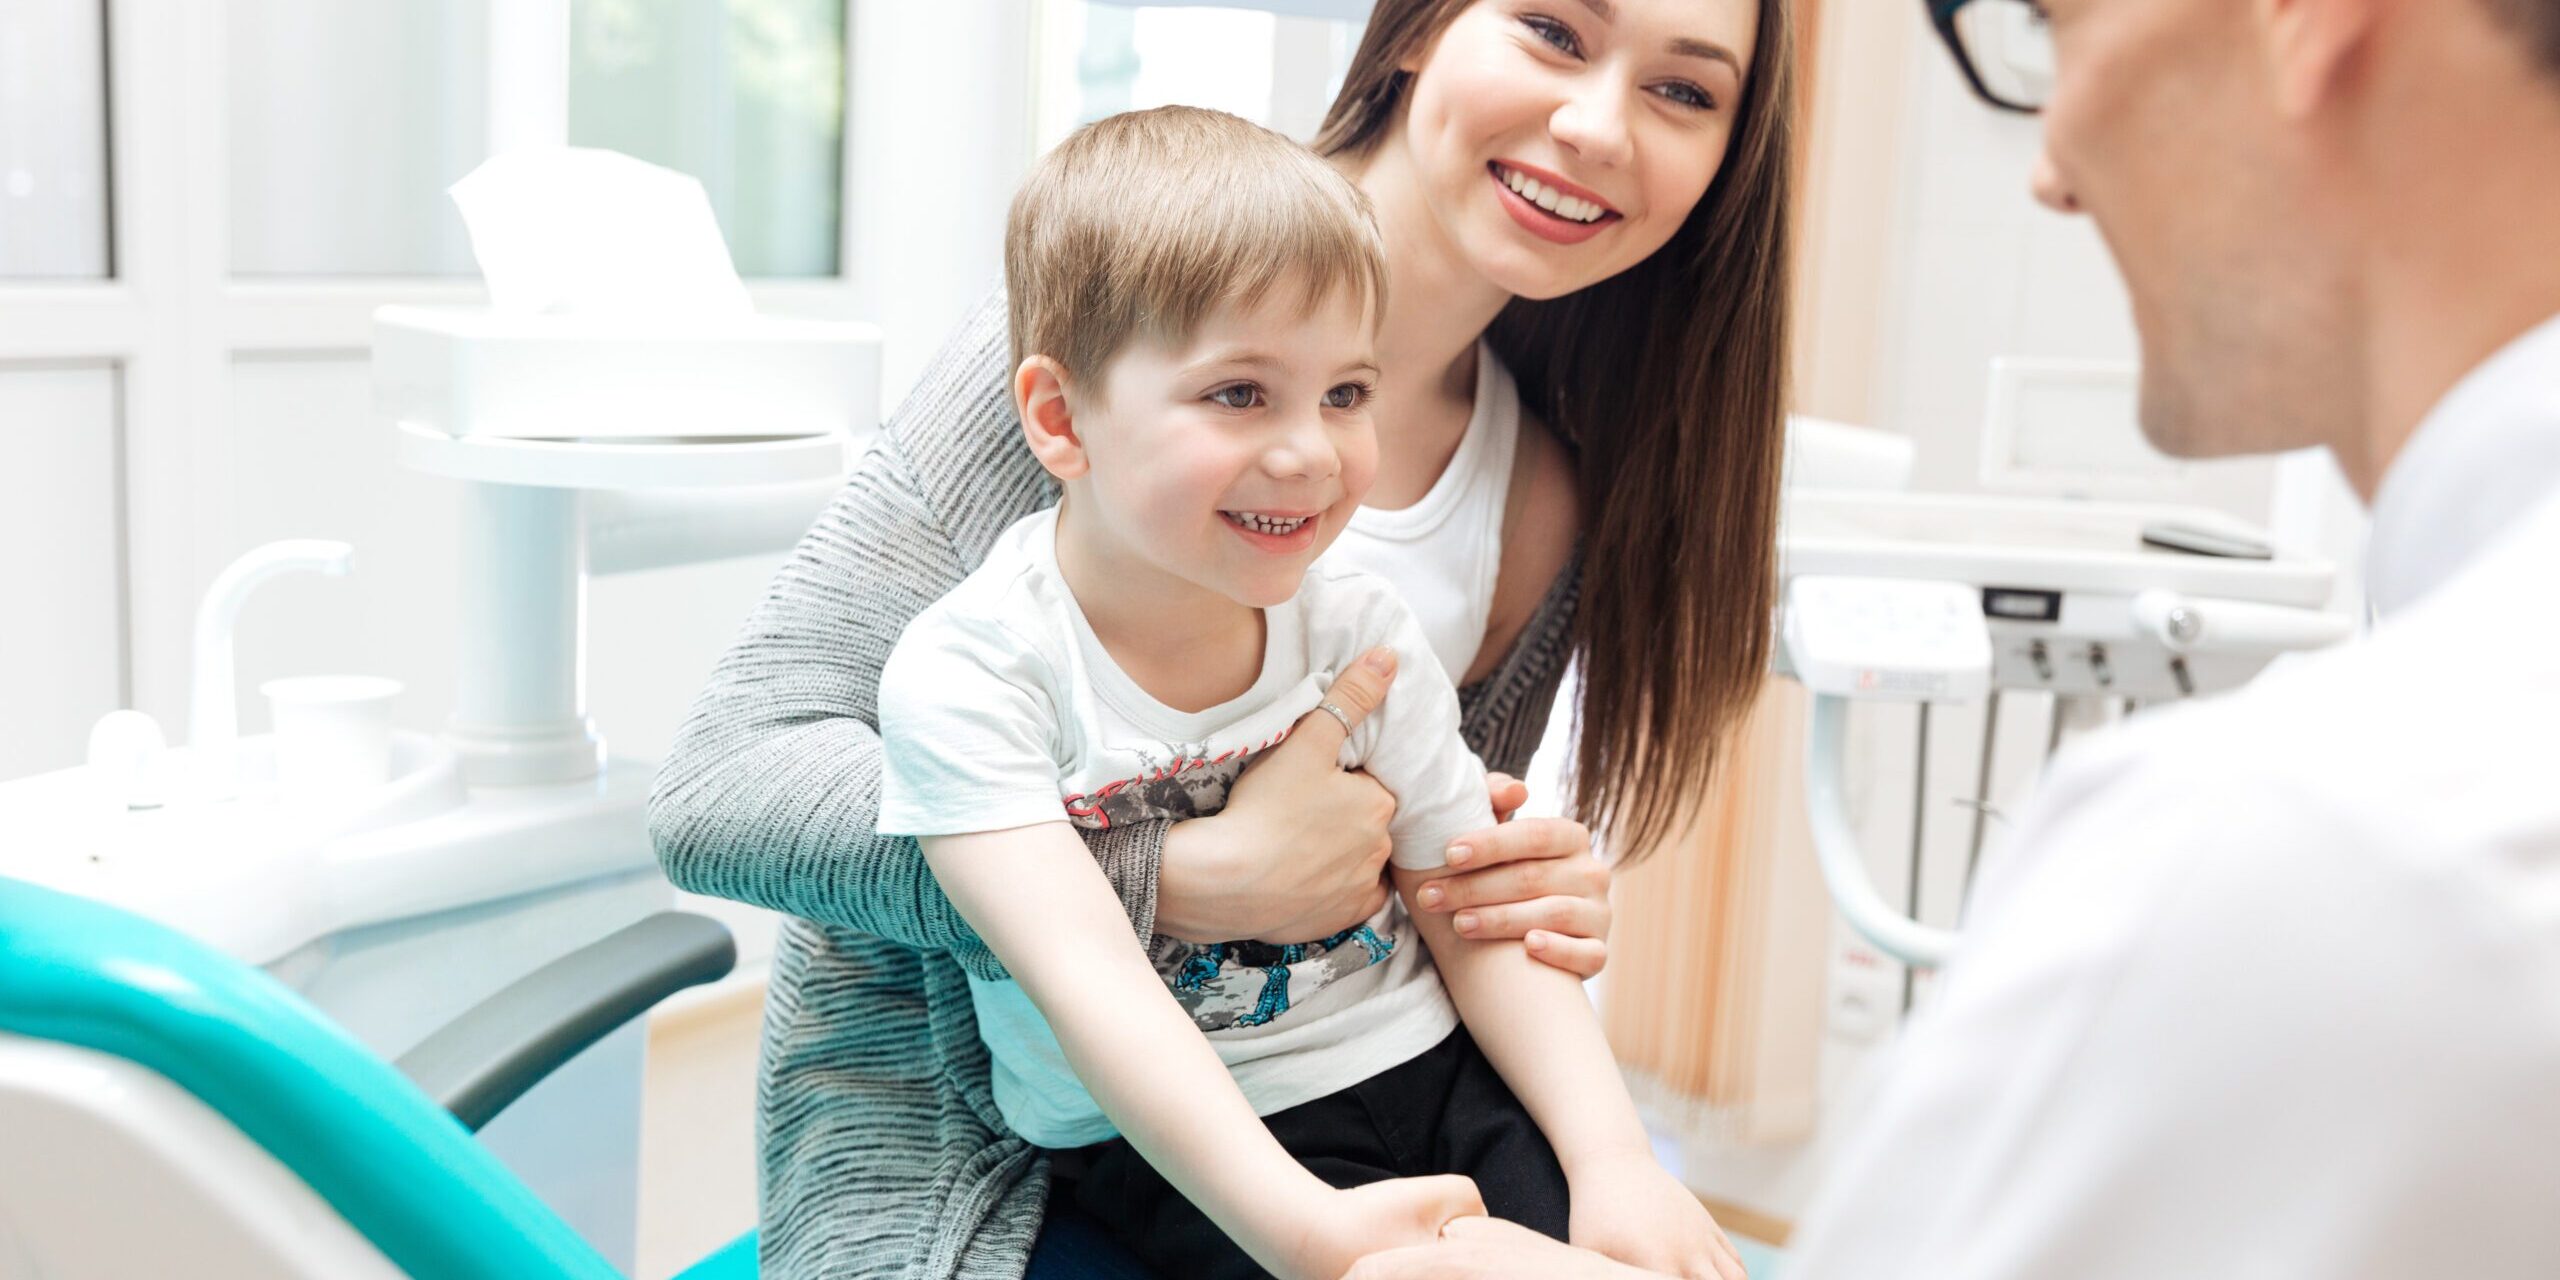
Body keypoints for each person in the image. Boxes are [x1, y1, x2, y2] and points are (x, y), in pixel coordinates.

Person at [1343, 0, 2560, 1275]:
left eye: (2054, 27)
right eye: (1551, 30)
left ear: (2313, 23)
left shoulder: (2282, 844)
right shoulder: (1139, 271)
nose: (2044, 170)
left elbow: (1427, 899)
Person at [647, 0, 1798, 1275]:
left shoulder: (1542, 491)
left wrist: (1500, 883)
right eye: (1551, 30)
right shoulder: (1121, 321)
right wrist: (1178, 873)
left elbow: (1388, 881)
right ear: (1416, 26)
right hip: (993, 1165)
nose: (1597, 126)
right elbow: (720, 788)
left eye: (1686, 93)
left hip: (1378, 1089)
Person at [877, 106, 1735, 1280]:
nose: (1310, 454)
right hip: (1191, 1139)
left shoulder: (1359, 627)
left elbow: (1466, 906)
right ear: (1060, 417)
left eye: (1344, 394)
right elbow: (1092, 985)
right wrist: (1306, 1231)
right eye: (1240, 394)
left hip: (1436, 1065)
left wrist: (1615, 1159)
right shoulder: (973, 671)